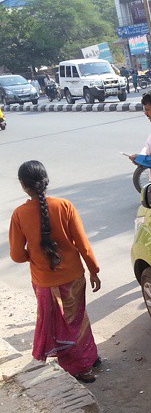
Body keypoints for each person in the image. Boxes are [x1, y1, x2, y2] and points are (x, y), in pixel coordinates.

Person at [9, 161, 101, 383]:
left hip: (44, 281)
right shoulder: (64, 205)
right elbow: (83, 244)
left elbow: (17, 255)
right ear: (46, 181)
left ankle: (80, 367)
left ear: (23, 186)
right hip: (73, 277)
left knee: (59, 324)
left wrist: (34, 256)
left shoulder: (20, 214)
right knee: (77, 320)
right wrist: (93, 270)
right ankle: (88, 360)